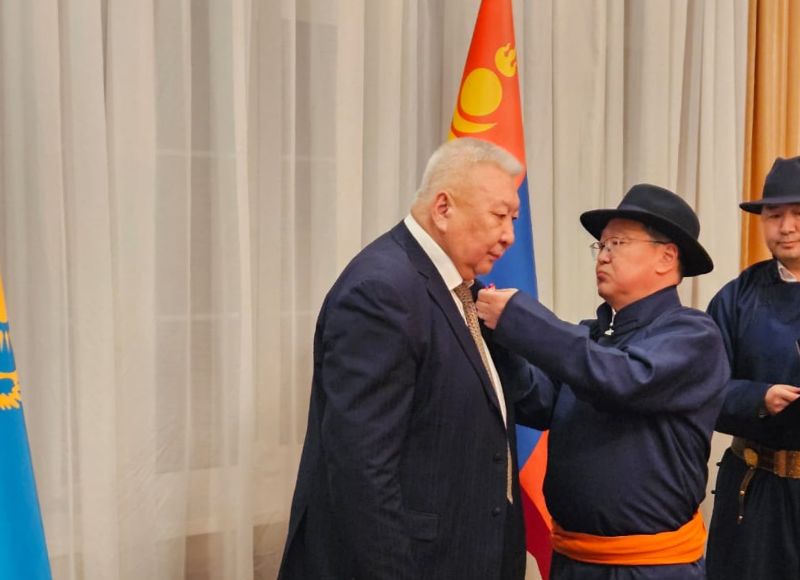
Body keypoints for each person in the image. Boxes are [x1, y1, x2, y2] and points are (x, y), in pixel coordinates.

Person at [278, 138, 534, 580]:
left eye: (513, 219)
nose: (510, 236)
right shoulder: (382, 291)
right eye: (499, 216)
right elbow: (362, 467)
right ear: (443, 208)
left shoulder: (462, 290)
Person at [476, 184, 729, 579]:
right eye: (601, 245)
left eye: (618, 243)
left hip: (651, 568)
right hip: (573, 559)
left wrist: (522, 319)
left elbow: (623, 379)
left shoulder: (693, 335)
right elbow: (537, 403)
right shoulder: (591, 337)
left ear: (666, 257)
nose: (604, 255)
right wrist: (500, 339)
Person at [704, 156, 800, 579]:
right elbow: (701, 389)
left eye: (798, 214)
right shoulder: (737, 298)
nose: (786, 227)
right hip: (754, 486)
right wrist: (757, 398)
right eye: (774, 215)